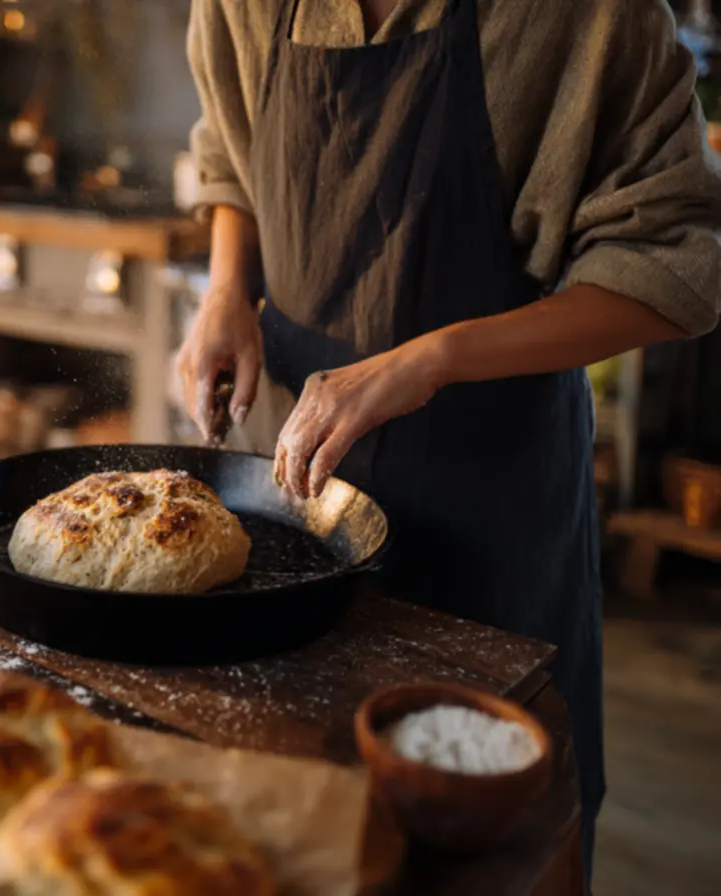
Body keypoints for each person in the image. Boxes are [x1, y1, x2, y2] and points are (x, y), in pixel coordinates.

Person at [176, 0, 721, 878]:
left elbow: (674, 269)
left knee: (487, 857)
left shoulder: (583, 17)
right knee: (293, 829)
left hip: (491, 510)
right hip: (296, 507)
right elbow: (226, 155)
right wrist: (227, 293)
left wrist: (433, 358)